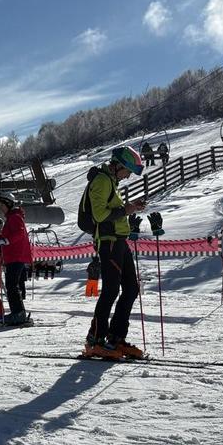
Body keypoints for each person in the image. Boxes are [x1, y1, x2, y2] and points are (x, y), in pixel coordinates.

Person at [81, 145, 147, 359]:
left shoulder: (111, 182)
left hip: (119, 241)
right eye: (128, 171)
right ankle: (95, 339)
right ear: (118, 165)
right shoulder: (101, 180)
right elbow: (100, 215)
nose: (128, 176)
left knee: (131, 288)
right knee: (110, 290)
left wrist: (130, 208)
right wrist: (126, 209)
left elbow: (113, 211)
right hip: (108, 241)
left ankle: (115, 337)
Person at [0, 193, 33, 326]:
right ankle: (17, 312)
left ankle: (18, 313)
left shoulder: (14, 217)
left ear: (8, 204)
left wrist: (5, 240)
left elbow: (19, 233)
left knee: (11, 285)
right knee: (11, 285)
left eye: (2, 205)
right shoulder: (12, 217)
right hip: (13, 256)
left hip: (16, 256)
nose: (1, 208)